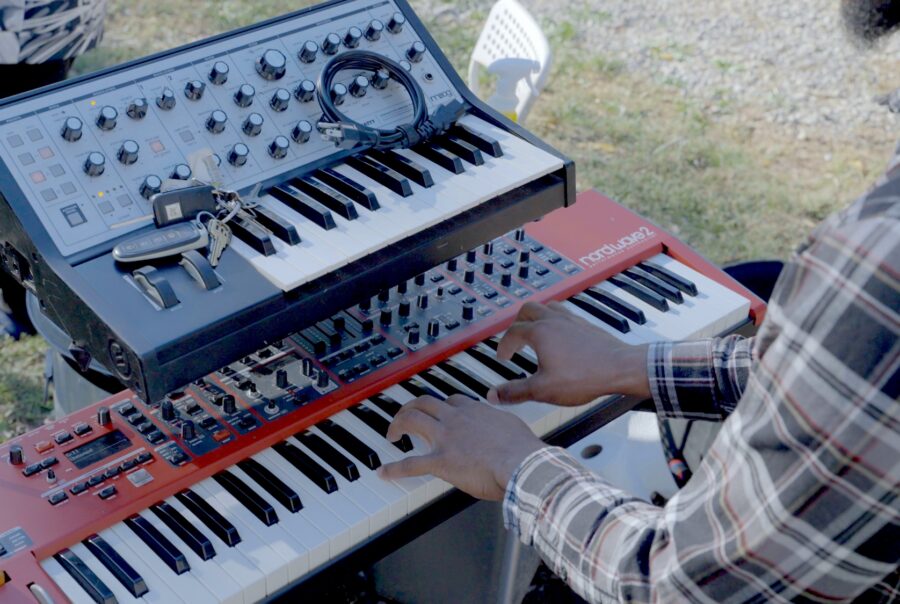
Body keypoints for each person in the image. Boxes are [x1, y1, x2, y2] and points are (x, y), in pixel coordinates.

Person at [377, 1, 900, 602]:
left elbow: (680, 589)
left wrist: (516, 463)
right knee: (758, 279)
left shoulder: (880, 260)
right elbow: (855, 383)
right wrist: (635, 365)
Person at [0, 0, 107, 337]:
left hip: (45, 29)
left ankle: (26, 305)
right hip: (48, 28)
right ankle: (26, 305)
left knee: (28, 172)